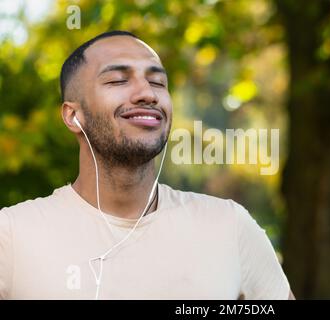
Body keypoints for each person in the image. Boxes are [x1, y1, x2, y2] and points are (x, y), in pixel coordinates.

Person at [0, 31, 294, 300]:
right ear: (73, 116)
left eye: (157, 82)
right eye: (117, 80)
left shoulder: (229, 226)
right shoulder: (12, 235)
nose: (148, 94)